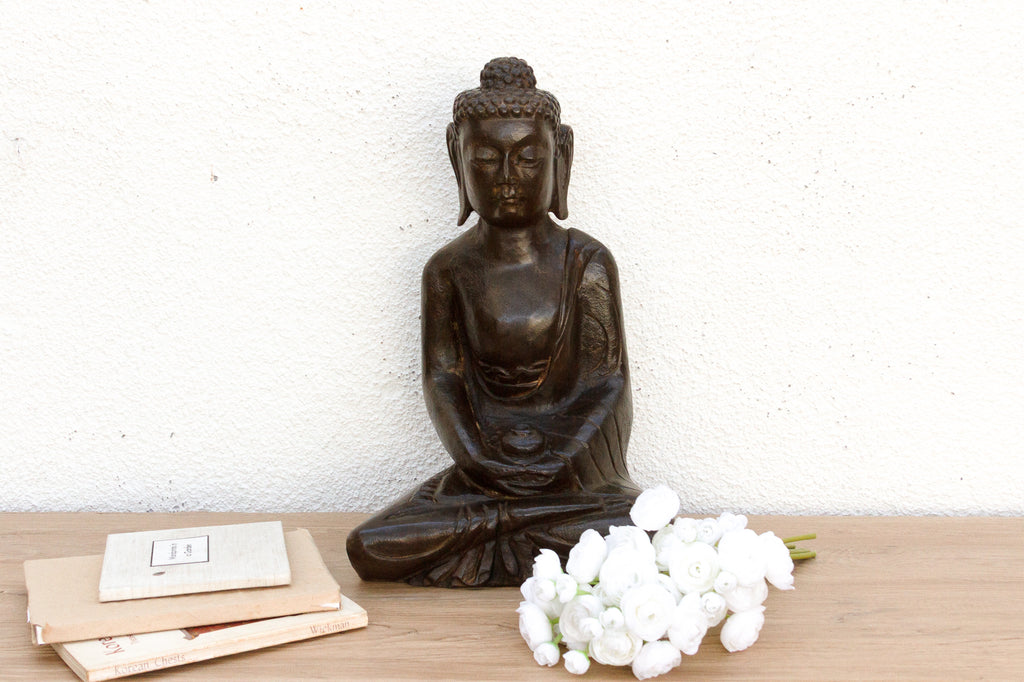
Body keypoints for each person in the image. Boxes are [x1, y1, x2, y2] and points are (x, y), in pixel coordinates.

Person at [347, 58, 641, 587]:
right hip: (482, 477)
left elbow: (608, 384)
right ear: (457, 160)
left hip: (571, 479)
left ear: (561, 158)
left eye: (528, 158)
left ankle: (511, 529)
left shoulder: (586, 263)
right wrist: (480, 460)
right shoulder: (448, 269)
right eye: (486, 158)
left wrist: (561, 456)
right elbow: (443, 381)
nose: (507, 179)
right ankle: (518, 527)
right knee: (369, 546)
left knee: (643, 523)